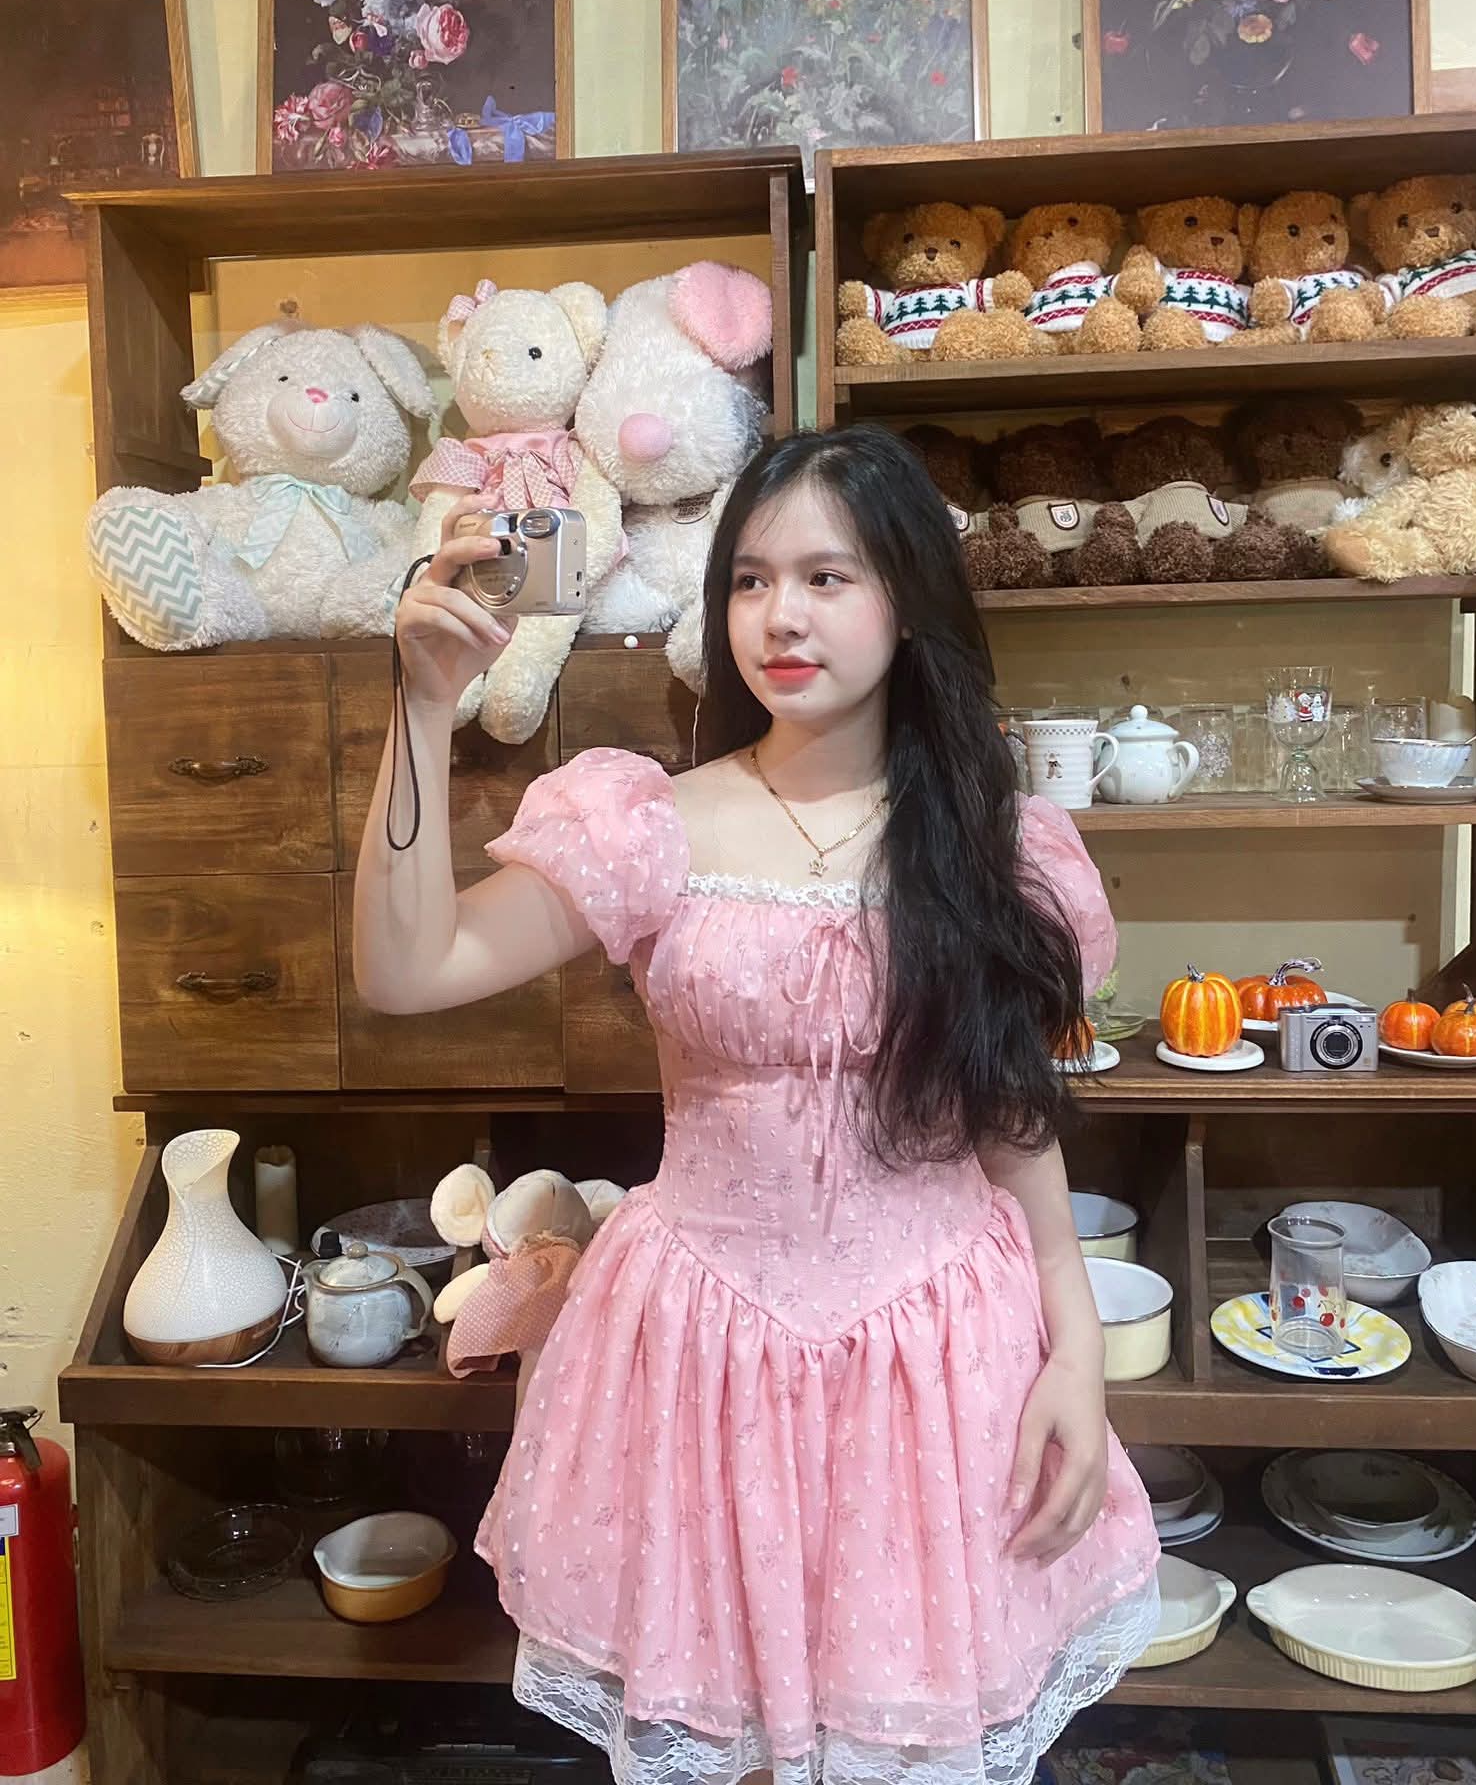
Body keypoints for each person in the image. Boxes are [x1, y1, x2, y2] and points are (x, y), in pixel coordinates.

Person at [353, 424, 1159, 1785]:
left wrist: (1073, 1353)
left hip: (938, 1356)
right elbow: (405, 968)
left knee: (914, 1738)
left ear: (908, 598)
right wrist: (423, 710)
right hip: (700, 1354)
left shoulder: (1000, 847)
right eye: (749, 579)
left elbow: (1014, 1126)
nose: (780, 616)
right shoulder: (649, 824)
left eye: (827, 577)